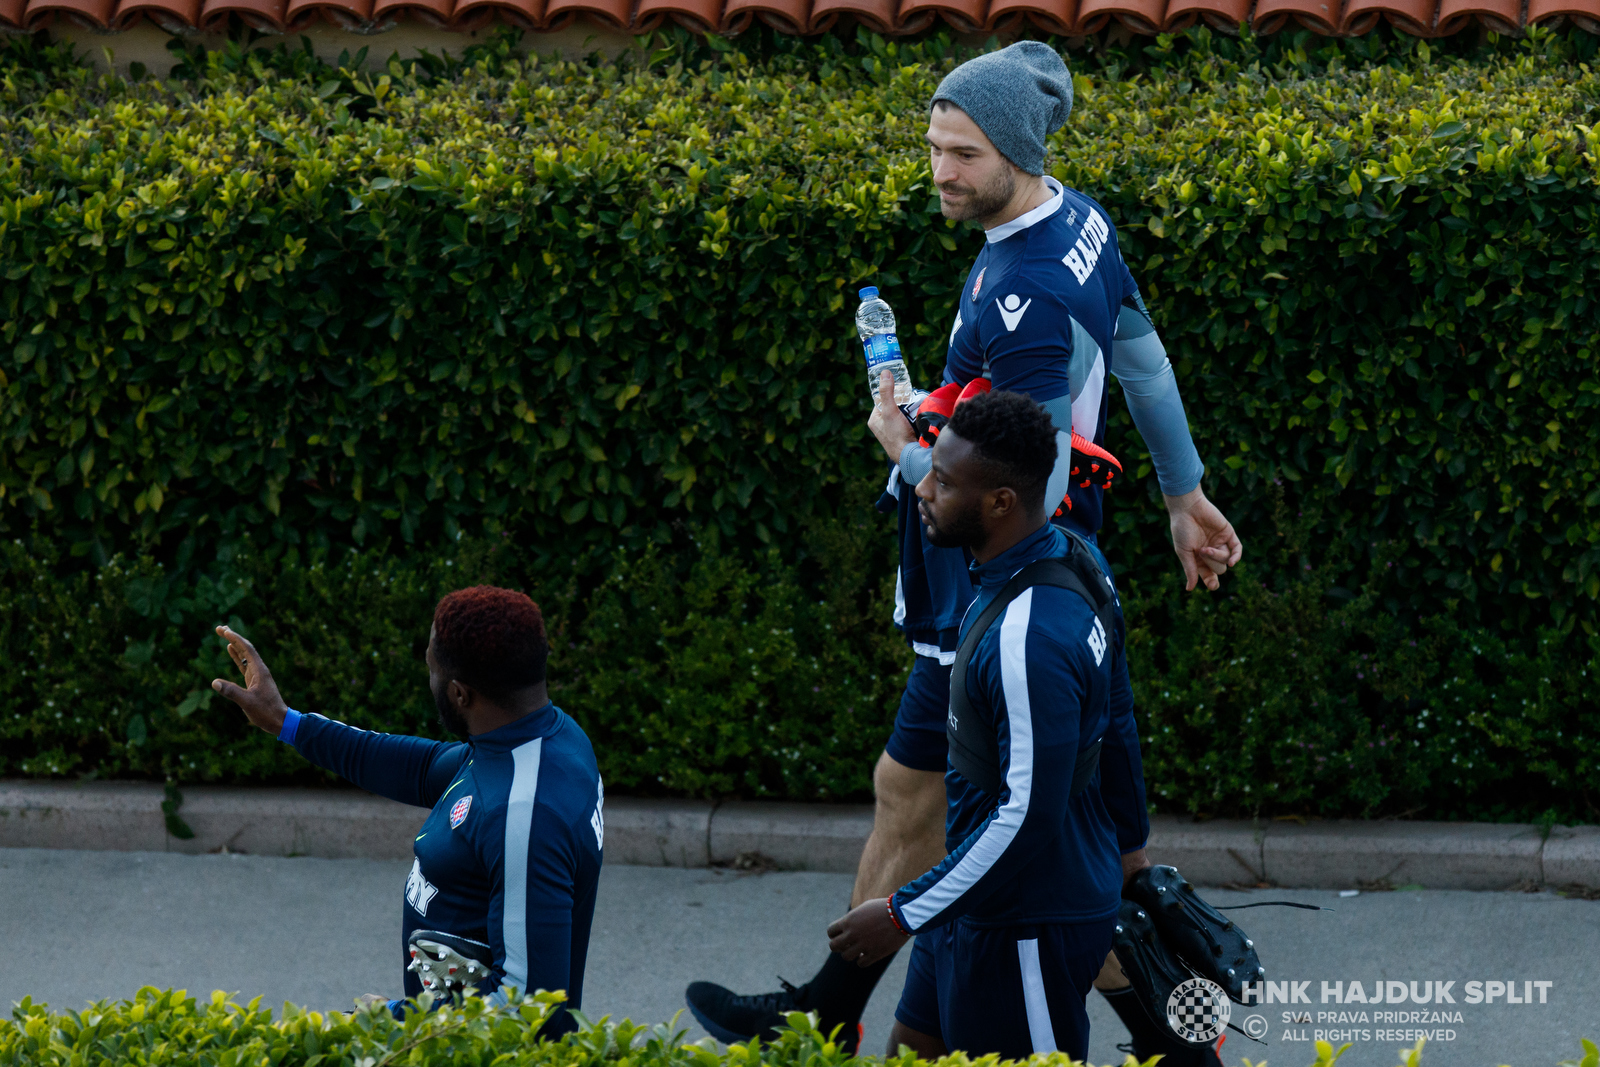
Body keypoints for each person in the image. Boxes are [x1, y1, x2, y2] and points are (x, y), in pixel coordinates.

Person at [686, 41, 1240, 1063]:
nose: (941, 170)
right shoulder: (1075, 222)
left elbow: (1007, 489)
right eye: (935, 145)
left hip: (1005, 588)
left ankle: (1171, 1038)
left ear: (1017, 150)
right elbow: (1141, 354)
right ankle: (830, 1011)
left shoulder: (1021, 293)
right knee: (921, 795)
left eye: (964, 152)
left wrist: (904, 450)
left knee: (1023, 849)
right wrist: (1182, 487)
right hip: (1041, 578)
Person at [827, 388, 1149, 1058]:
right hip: (971, 907)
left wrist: (900, 912)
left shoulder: (1027, 635)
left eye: (942, 481)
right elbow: (1118, 718)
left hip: (1024, 922)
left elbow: (1028, 815)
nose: (922, 489)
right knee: (912, 1050)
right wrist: (1131, 847)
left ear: (1001, 501)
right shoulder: (1073, 557)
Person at [210, 585, 604, 1036]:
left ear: (459, 694)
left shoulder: (526, 814)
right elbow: (420, 767)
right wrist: (286, 722)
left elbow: (532, 1010)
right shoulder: (542, 739)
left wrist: (388, 1021)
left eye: (431, 668)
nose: (430, 678)